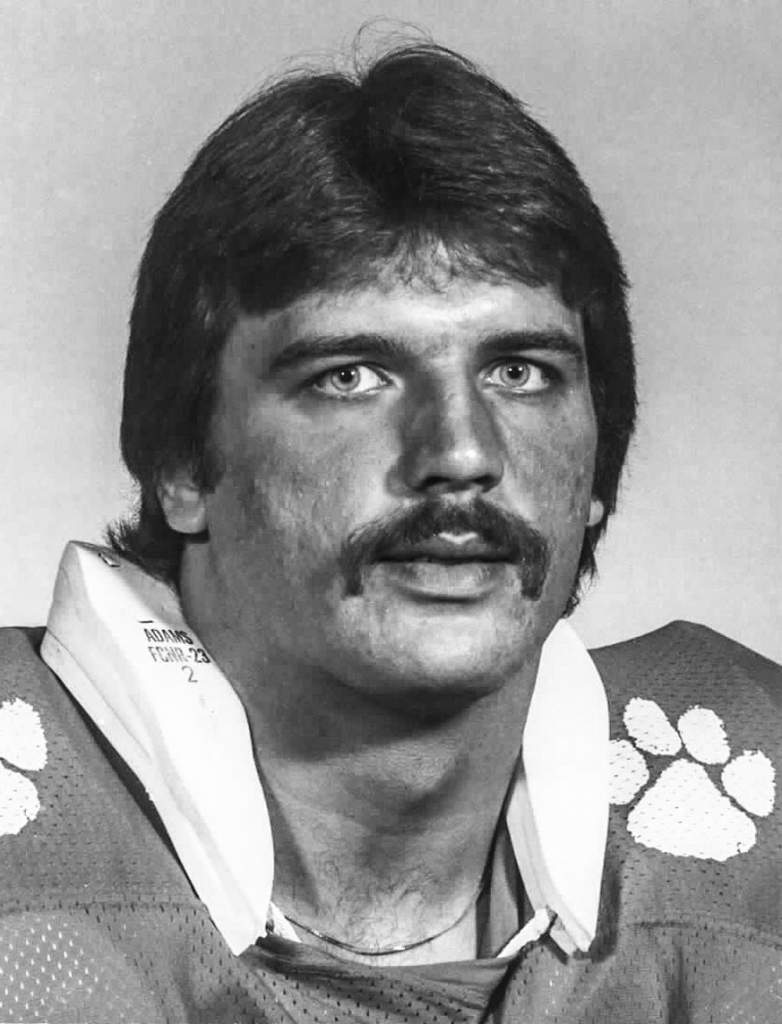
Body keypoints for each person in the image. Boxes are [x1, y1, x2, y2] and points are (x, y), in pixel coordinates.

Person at [0, 40, 779, 1024]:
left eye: (520, 372)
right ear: (183, 465)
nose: (459, 451)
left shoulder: (759, 833)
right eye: (351, 376)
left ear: (592, 469)